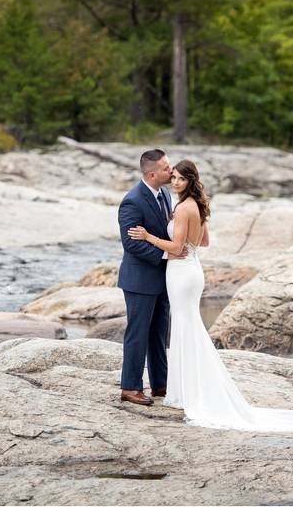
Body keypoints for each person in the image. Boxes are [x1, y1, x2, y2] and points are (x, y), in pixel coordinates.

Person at [128, 160, 293, 433]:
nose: (175, 182)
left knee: (185, 327)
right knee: (186, 325)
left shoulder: (181, 208)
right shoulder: (198, 206)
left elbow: (177, 247)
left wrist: (148, 236)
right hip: (192, 269)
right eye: (174, 178)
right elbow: (203, 242)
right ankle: (182, 388)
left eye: (180, 179)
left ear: (190, 181)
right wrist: (185, 244)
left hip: (180, 272)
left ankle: (186, 392)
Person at [117, 149, 185, 406]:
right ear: (153, 173)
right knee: (138, 333)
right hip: (140, 280)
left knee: (158, 333)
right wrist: (168, 257)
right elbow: (131, 244)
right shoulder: (132, 201)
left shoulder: (165, 194)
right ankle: (130, 387)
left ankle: (160, 384)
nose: (172, 170)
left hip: (163, 279)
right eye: (167, 168)